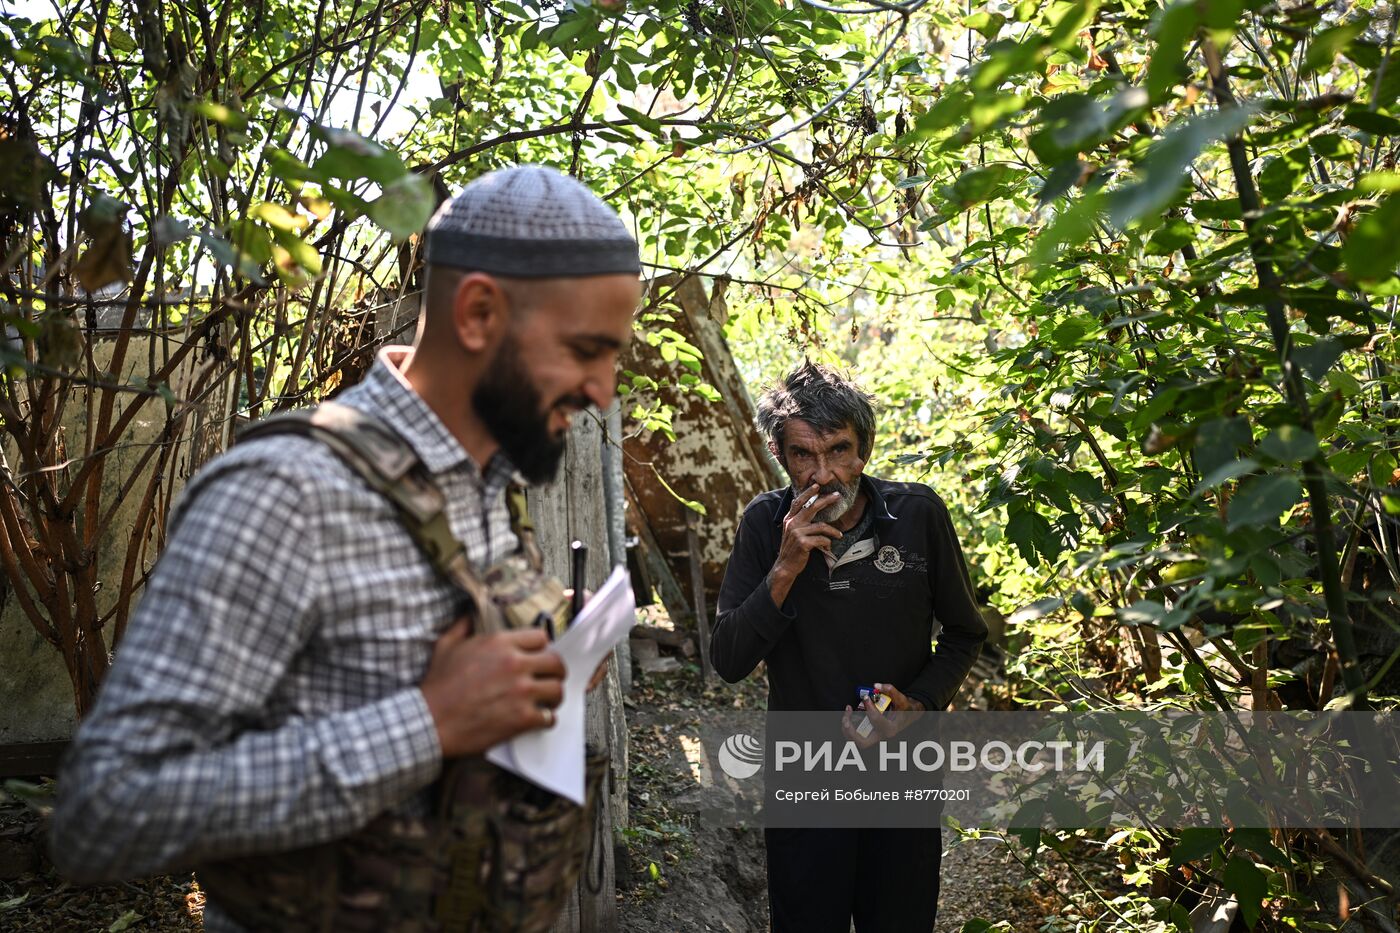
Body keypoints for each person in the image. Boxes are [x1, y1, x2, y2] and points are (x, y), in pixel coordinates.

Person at [48, 165, 643, 931]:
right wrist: (426, 723)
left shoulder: (496, 477)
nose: (603, 388)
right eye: (586, 349)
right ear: (478, 312)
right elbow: (103, 813)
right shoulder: (286, 493)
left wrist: (544, 655)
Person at [710, 360, 988, 933]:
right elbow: (730, 659)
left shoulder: (916, 515)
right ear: (779, 455)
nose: (823, 474)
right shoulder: (765, 525)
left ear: (864, 450)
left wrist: (918, 704)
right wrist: (785, 567)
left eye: (838, 450)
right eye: (802, 455)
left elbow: (965, 634)